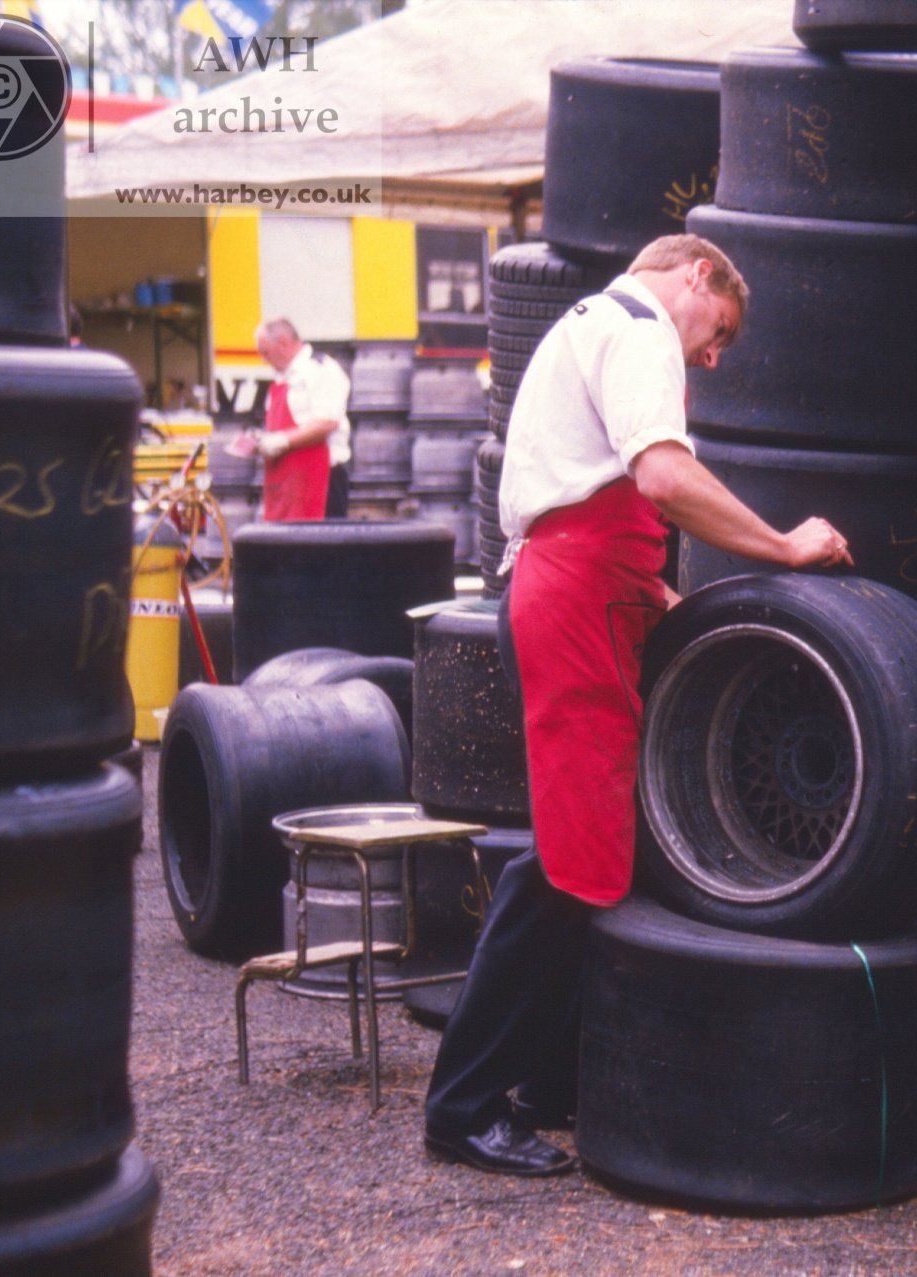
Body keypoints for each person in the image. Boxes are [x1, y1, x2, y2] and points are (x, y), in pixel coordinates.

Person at [422, 234, 852, 1177]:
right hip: (573, 601)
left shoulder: (583, 327)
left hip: (579, 586)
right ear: (697, 275)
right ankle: (461, 1105)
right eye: (723, 331)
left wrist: (653, 590)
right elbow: (658, 474)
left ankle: (540, 1083)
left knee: (594, 858)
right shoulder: (639, 326)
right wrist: (780, 547)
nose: (714, 355)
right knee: (569, 866)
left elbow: (583, 498)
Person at [252, 317, 352, 521]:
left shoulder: (321, 370)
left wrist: (282, 441)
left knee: (320, 549)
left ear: (282, 343)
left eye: (265, 352)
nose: (264, 359)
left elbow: (327, 423)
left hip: (321, 480)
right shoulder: (282, 378)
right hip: (285, 481)